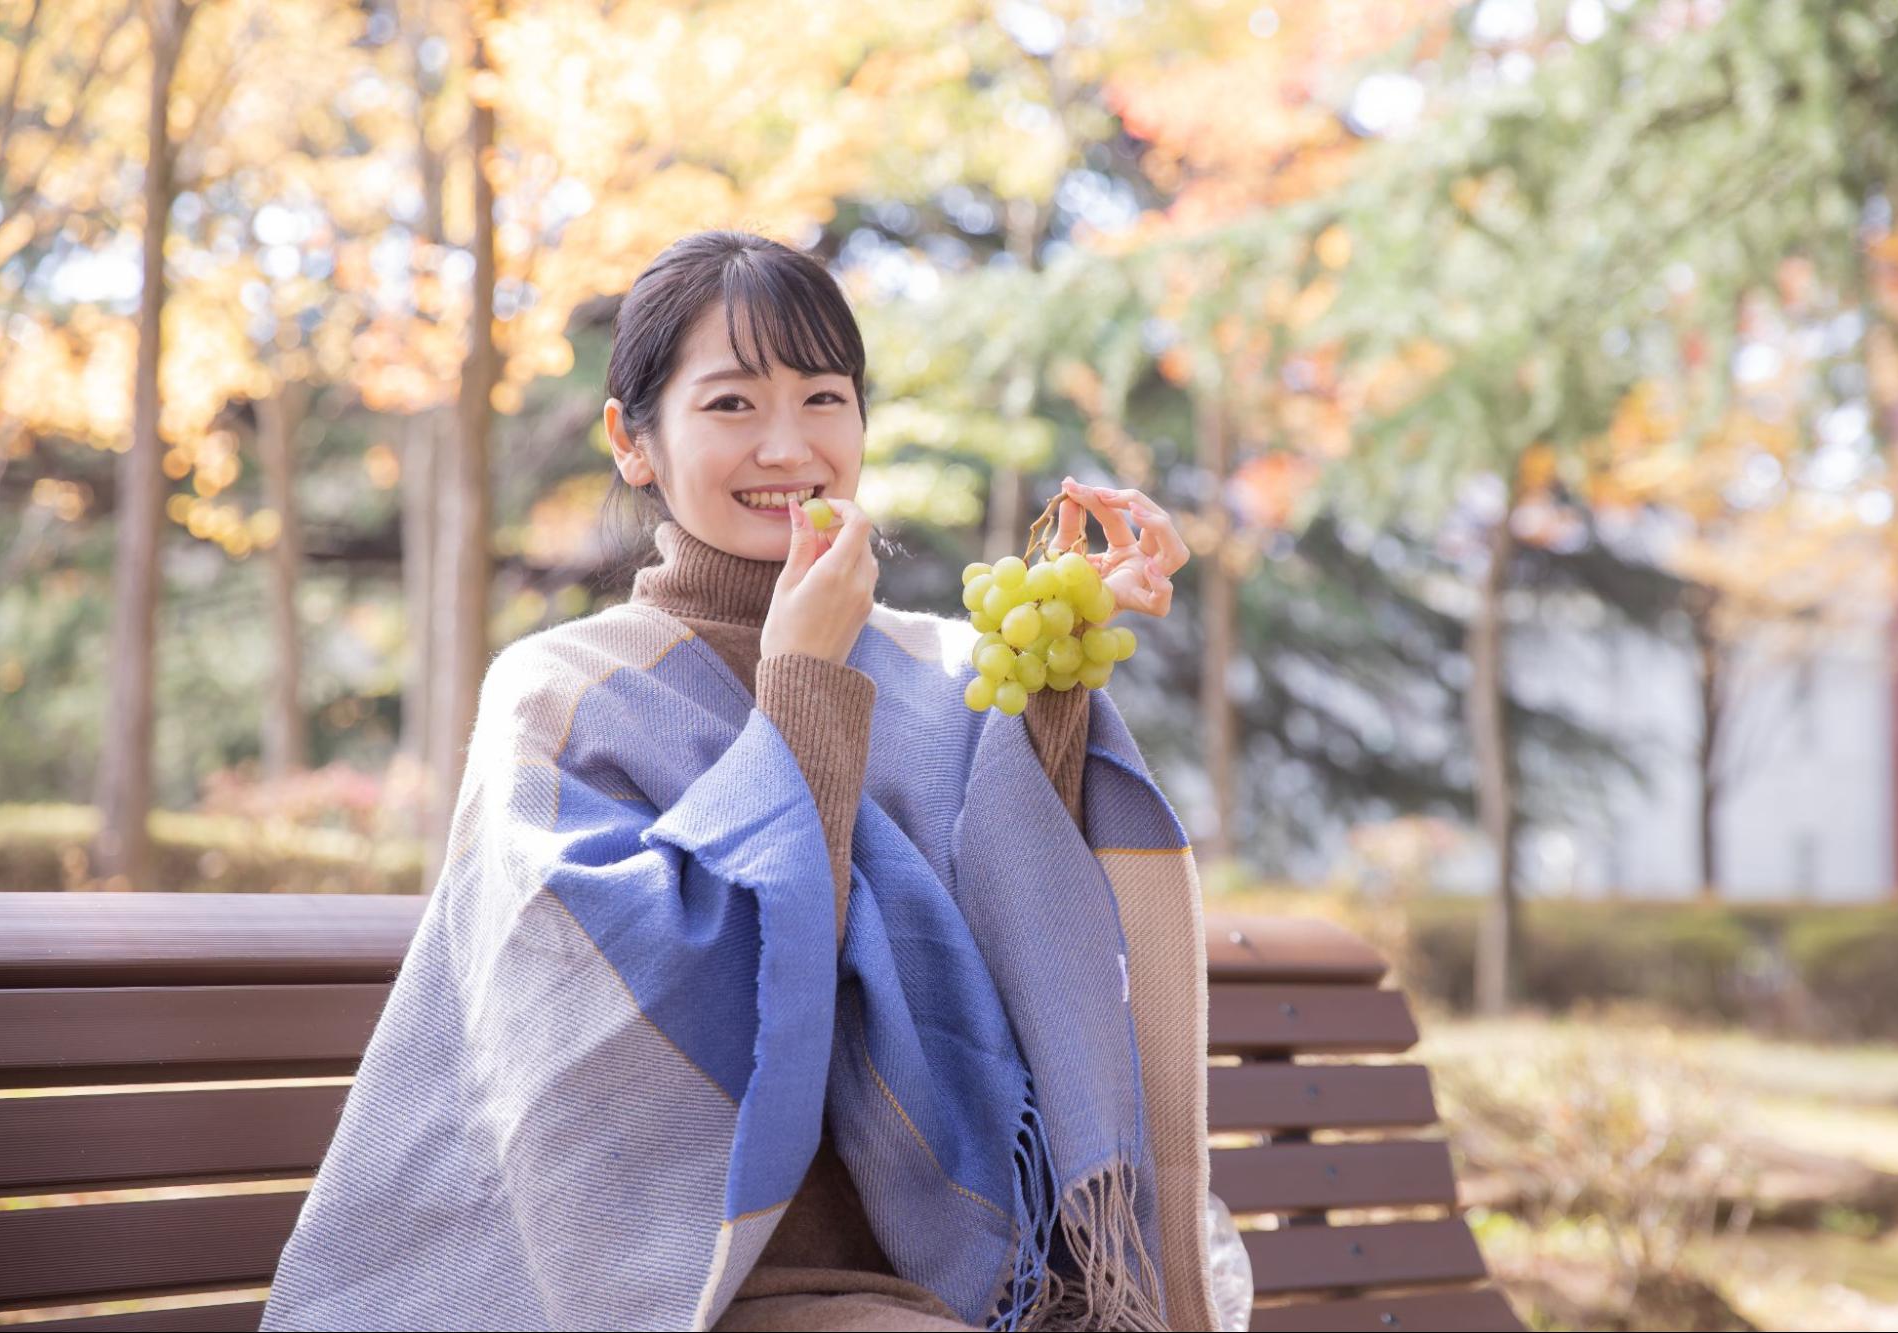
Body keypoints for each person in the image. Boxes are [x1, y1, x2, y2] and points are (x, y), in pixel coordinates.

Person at [260, 231, 1219, 1333]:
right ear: (634, 440)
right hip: (721, 1281)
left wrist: (1056, 670)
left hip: (963, 1279)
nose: (789, 446)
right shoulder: (563, 688)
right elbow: (611, 1008)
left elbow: (1013, 905)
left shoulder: (921, 662)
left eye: (824, 397)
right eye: (729, 405)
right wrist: (802, 682)